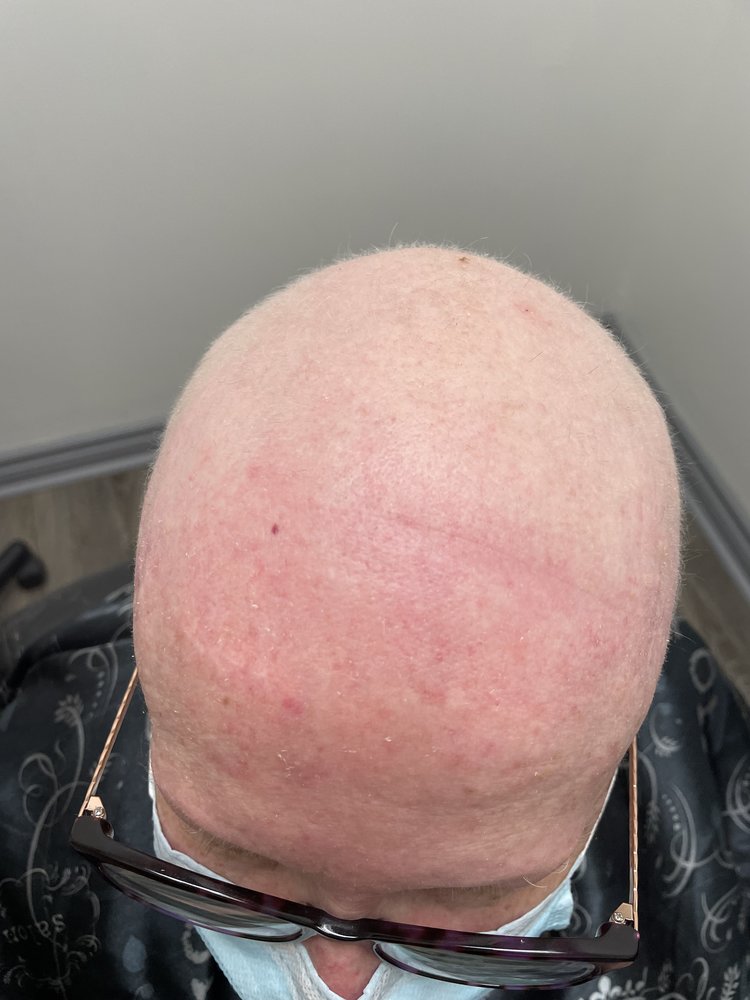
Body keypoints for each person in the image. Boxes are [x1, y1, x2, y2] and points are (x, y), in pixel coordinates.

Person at [1, 246, 748, 1000]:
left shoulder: (704, 787)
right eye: (237, 869)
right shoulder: (37, 754)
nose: (338, 989)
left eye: (465, 905)